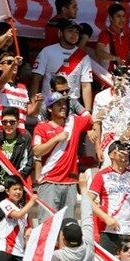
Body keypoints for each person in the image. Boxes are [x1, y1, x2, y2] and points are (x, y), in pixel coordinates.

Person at [32, 92, 93, 220]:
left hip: (70, 184)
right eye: (58, 104)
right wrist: (55, 139)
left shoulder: (73, 122)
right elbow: (37, 151)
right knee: (47, 226)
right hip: (49, 182)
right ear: (49, 108)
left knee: (67, 227)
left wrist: (76, 105)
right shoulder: (41, 127)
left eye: (64, 103)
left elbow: (89, 118)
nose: (63, 106)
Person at [31, 19, 94, 111]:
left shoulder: (84, 56)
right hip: (49, 103)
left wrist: (88, 112)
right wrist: (32, 103)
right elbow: (36, 78)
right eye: (70, 31)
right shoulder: (47, 51)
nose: (74, 34)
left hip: (72, 105)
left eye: (77, 32)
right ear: (60, 33)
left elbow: (86, 85)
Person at [90, 140, 130, 253]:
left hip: (129, 231)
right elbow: (88, 200)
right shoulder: (102, 175)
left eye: (127, 153)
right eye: (122, 153)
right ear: (112, 155)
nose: (126, 155)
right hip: (109, 231)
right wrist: (106, 217)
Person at [49, 177, 97, 261]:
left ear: (63, 238)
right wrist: (83, 189)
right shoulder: (89, 248)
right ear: (82, 236)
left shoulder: (57, 256)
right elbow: (87, 217)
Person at [0, 175, 36, 261]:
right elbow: (17, 215)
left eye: (20, 189)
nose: (18, 192)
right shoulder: (4, 203)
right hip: (4, 247)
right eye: (15, 189)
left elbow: (28, 226)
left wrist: (29, 230)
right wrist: (32, 201)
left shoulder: (23, 208)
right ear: (8, 191)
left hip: (19, 250)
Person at [0, 107, 33, 185]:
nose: (8, 125)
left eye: (12, 122)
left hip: (15, 187)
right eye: (5, 122)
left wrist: (13, 181)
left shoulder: (25, 139)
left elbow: (28, 165)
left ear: (18, 123)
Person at [96, 3, 130, 70]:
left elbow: (129, 58)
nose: (122, 20)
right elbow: (99, 53)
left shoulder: (127, 36)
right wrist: (115, 58)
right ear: (110, 18)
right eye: (118, 16)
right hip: (108, 76)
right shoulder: (105, 34)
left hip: (124, 74)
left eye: (123, 16)